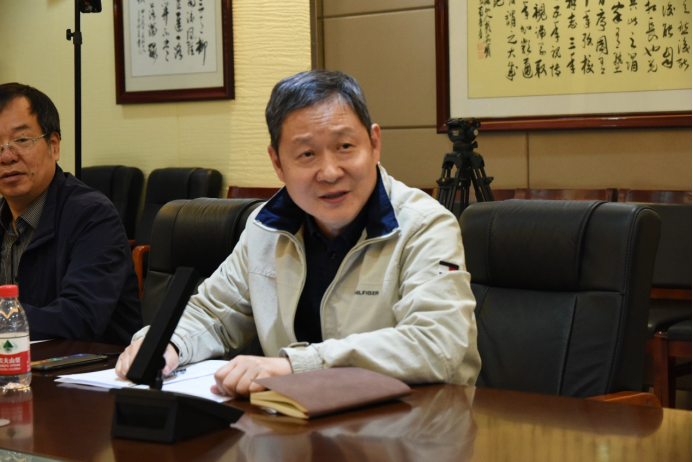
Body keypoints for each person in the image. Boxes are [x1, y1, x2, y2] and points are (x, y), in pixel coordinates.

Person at [116, 70, 480, 395]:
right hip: (296, 426)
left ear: (374, 143)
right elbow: (213, 313)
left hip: (413, 427)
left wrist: (298, 366)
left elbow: (437, 344)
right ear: (277, 163)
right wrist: (165, 344)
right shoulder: (266, 227)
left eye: (345, 147)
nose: (330, 172)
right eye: (306, 154)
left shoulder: (424, 225)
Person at [0, 83, 142, 345]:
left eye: (21, 140)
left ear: (54, 146)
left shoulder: (93, 215)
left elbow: (80, 317)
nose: (7, 156)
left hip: (93, 366)